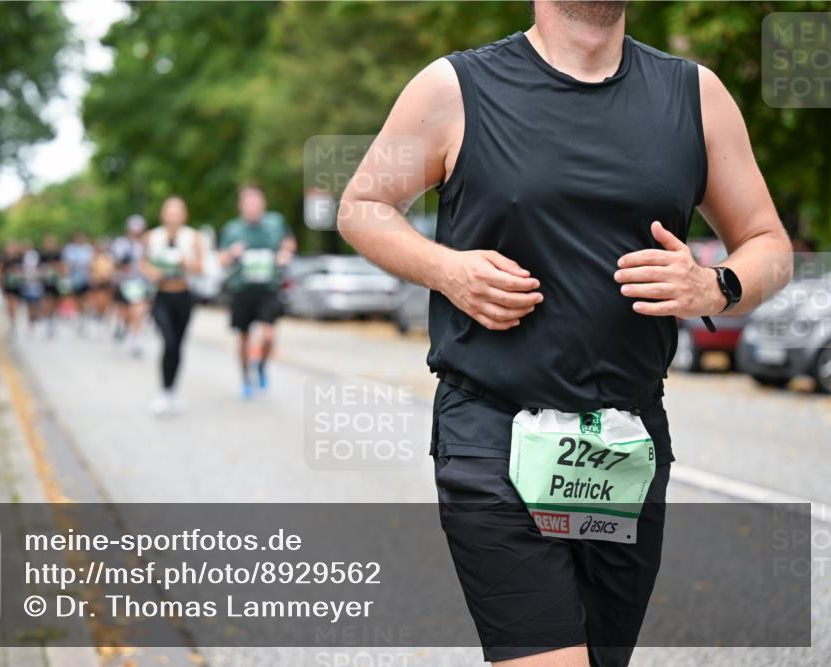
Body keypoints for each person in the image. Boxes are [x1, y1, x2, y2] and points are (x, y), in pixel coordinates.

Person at [338, 2, 792, 666]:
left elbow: (770, 245)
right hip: (492, 433)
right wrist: (448, 269)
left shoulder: (696, 96)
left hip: (625, 443)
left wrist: (714, 284)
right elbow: (362, 206)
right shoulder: (454, 88)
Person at [218, 184, 295, 399]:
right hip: (242, 290)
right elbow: (220, 259)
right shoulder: (232, 229)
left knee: (269, 335)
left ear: (263, 204)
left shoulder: (275, 223)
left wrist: (285, 253)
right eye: (247, 203)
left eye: (255, 202)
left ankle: (261, 365)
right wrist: (232, 254)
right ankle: (245, 379)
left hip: (268, 288)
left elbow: (289, 243)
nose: (252, 207)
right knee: (243, 338)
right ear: (241, 206)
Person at [142, 196, 203, 415]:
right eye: (170, 211)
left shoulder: (193, 237)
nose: (174, 216)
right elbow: (143, 264)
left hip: (183, 296)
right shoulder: (152, 237)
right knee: (168, 342)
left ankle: (172, 390)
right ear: (163, 214)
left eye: (178, 211)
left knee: (177, 345)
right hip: (162, 296)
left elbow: (201, 267)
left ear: (184, 215)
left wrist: (185, 262)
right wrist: (152, 273)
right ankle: (163, 391)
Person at [112, 215, 151, 356]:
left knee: (139, 311)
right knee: (126, 313)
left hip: (140, 283)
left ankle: (137, 339)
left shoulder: (145, 244)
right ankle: (129, 331)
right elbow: (116, 263)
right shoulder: (121, 243)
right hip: (124, 283)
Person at [62, 232, 94, 333]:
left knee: (85, 298)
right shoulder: (70, 249)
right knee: (73, 298)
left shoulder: (88, 249)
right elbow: (67, 264)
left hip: (85, 278)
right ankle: (74, 314)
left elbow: (90, 264)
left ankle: (83, 317)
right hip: (74, 278)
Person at [0, 239, 24, 334]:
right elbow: (0, 271)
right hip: (7, 283)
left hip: (16, 284)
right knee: (9, 304)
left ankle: (13, 321)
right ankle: (11, 321)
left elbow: (21, 270)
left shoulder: (19, 258)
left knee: (14, 303)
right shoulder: (3, 258)